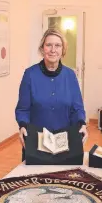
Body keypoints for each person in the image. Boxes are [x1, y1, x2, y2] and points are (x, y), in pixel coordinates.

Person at [15, 29, 88, 159]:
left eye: (58, 45)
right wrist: (23, 126)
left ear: (63, 50)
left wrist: (82, 124)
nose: (53, 50)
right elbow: (22, 109)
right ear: (42, 49)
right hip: (36, 141)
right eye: (49, 45)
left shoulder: (70, 75)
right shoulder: (30, 74)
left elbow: (77, 108)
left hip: (64, 141)